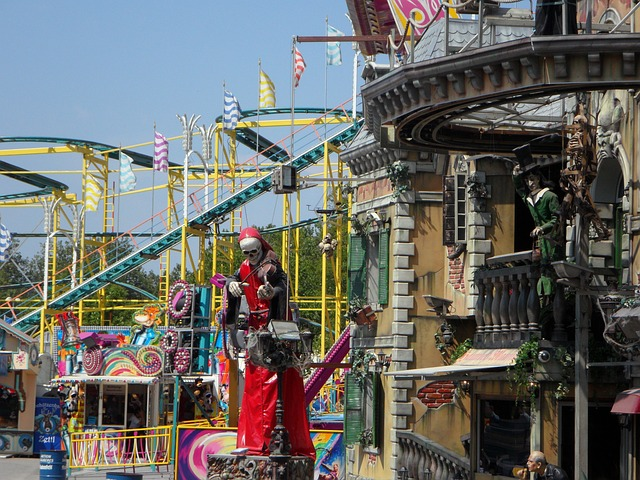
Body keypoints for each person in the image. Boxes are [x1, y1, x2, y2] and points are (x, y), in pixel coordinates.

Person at [225, 227, 315, 459]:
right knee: (254, 388)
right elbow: (234, 282)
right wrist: (231, 286)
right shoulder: (244, 268)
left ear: (261, 247)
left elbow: (281, 287)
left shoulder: (272, 266)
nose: (250, 257)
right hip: (256, 329)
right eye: (246, 253)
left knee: (275, 386)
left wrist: (272, 292)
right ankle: (254, 438)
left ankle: (273, 439)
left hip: (272, 328)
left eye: (254, 251)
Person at [512, 163, 562, 300]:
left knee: (549, 269)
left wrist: (542, 228)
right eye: (528, 180)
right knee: (539, 268)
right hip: (540, 241)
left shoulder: (549, 196)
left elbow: (557, 219)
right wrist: (516, 175)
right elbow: (519, 189)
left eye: (532, 179)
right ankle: (542, 301)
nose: (530, 183)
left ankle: (550, 300)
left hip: (552, 239)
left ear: (538, 179)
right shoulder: (529, 198)